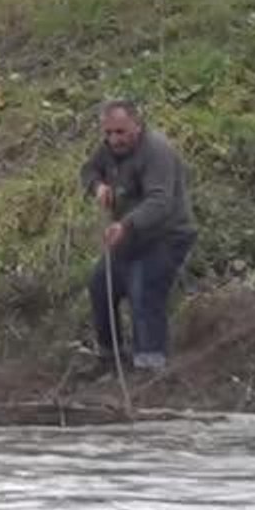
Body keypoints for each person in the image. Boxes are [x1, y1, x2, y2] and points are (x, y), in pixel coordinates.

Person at [78, 99, 197, 376]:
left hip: (166, 236)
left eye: (120, 132)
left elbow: (160, 202)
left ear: (137, 126)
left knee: (143, 291)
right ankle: (110, 359)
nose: (113, 139)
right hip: (129, 237)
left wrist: (126, 225)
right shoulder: (108, 150)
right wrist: (97, 186)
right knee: (100, 286)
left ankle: (150, 368)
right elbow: (89, 170)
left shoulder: (157, 151)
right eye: (108, 133)